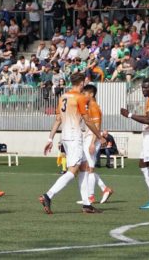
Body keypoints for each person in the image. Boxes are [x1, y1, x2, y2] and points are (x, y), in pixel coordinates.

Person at [39, 72, 107, 215]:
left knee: (84, 167)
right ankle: (48, 195)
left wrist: (50, 139)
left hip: (66, 136)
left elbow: (58, 119)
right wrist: (99, 136)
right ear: (82, 83)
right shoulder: (80, 98)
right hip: (75, 137)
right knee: (73, 171)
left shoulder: (63, 96)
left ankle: (87, 204)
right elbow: (88, 120)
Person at [120, 77, 149, 210]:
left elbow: (148, 119)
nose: (143, 90)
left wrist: (129, 115)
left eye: (146, 87)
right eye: (142, 88)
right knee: (142, 164)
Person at [80, 84, 113, 205]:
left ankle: (91, 196)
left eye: (85, 94)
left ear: (91, 94)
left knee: (90, 168)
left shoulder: (94, 107)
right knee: (87, 167)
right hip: (88, 138)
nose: (83, 96)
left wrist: (93, 143)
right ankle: (104, 189)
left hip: (91, 139)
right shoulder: (90, 106)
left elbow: (97, 127)